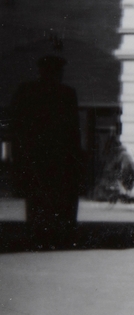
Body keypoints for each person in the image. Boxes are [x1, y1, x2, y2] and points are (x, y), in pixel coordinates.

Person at [10, 54, 83, 250]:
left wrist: (18, 155)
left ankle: (37, 234)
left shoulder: (26, 91)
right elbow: (73, 131)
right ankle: (58, 235)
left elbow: (15, 126)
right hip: (59, 157)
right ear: (57, 72)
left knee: (36, 198)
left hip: (34, 156)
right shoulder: (67, 93)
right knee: (59, 197)